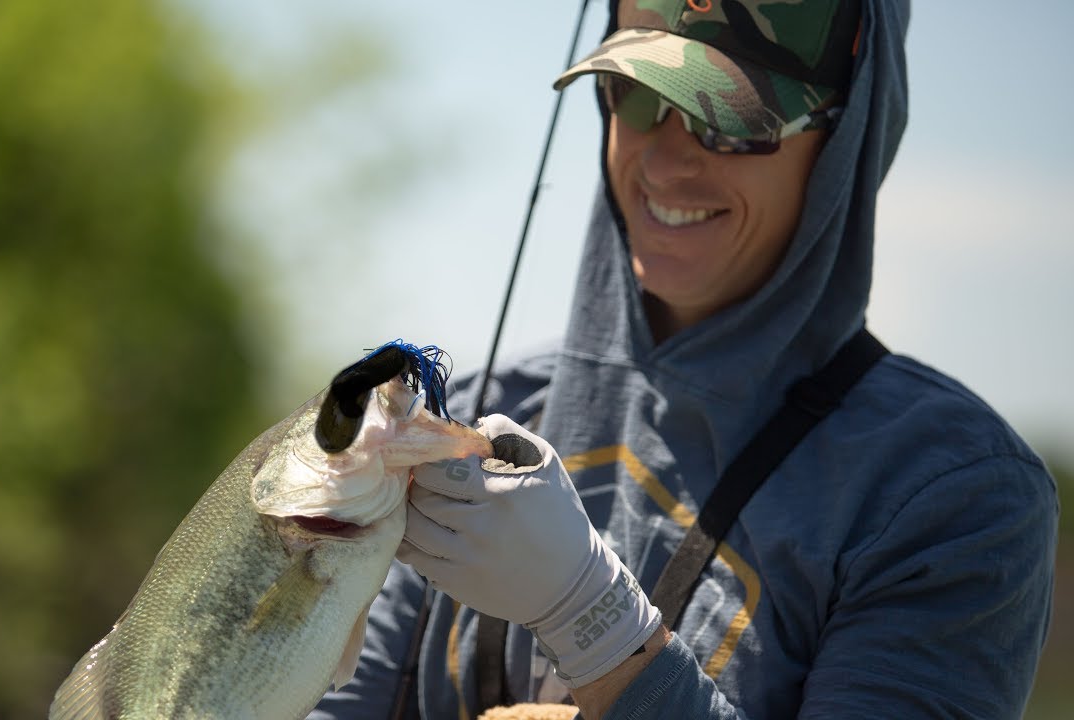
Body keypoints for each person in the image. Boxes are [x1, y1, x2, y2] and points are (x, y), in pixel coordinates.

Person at [313, 0, 1059, 718]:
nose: (667, 162)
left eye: (733, 123)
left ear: (844, 139)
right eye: (632, 96)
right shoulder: (465, 417)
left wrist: (591, 617)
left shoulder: (956, 498)